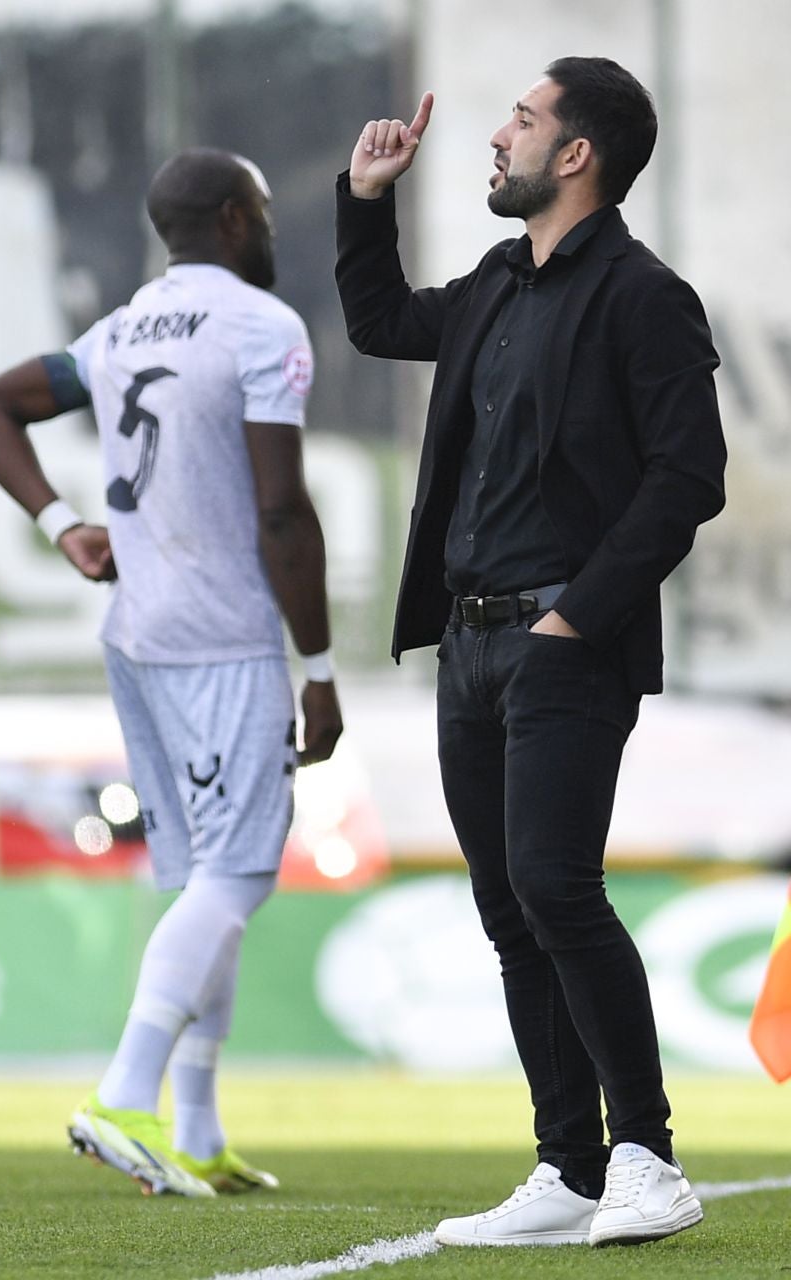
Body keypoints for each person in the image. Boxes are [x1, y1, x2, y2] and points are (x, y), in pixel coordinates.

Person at [337, 58, 724, 1247]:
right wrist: (364, 200)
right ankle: (567, 1164)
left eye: (521, 118)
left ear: (577, 156)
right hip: (469, 645)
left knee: (558, 886)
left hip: (566, 642)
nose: (495, 135)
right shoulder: (502, 282)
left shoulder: (646, 296)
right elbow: (381, 321)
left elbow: (687, 480)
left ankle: (646, 1155)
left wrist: (575, 620)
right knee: (509, 905)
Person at [0, 148, 342, 1198]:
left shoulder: (121, 328)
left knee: (195, 875)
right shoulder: (265, 327)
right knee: (239, 871)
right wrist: (318, 665)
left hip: (137, 633)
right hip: (223, 635)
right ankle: (124, 1091)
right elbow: (279, 508)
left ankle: (198, 1123)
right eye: (261, 210)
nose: (268, 227)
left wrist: (60, 524)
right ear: (232, 218)